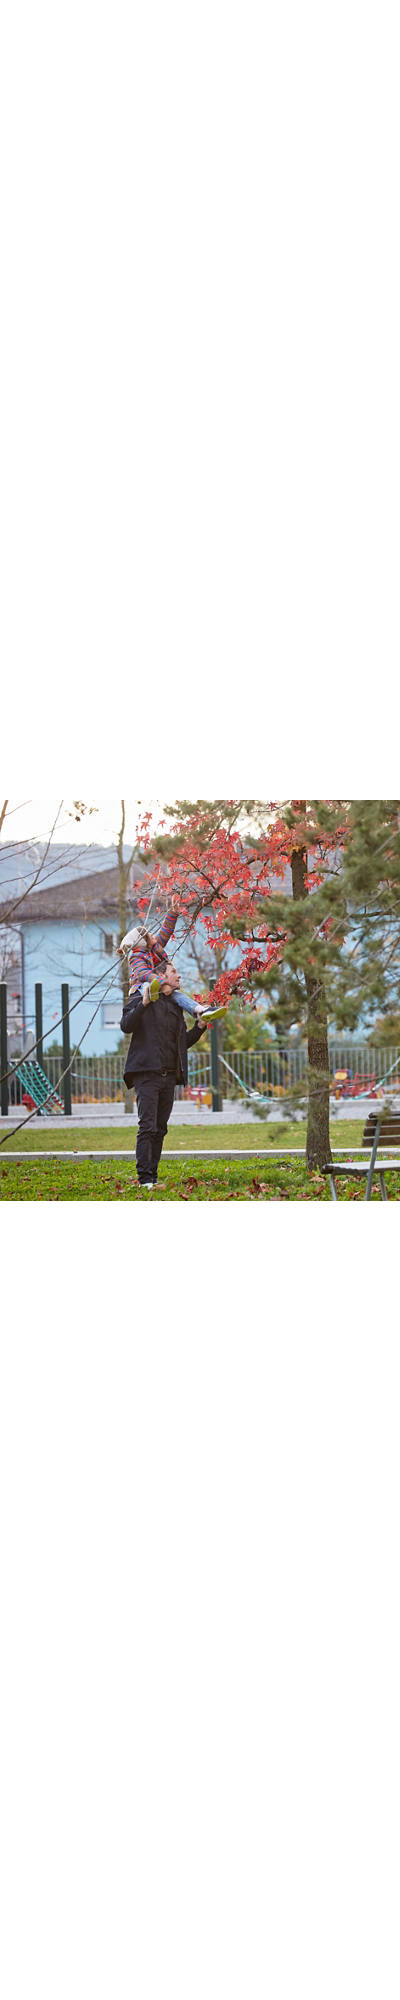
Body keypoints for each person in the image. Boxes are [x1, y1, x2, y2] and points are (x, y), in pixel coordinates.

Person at [121, 961, 209, 1189]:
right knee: (148, 1126)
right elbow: (125, 1025)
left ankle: (153, 1176)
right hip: (146, 1074)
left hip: (169, 1076)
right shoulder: (142, 996)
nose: (178, 976)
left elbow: (181, 1044)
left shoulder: (175, 1005)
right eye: (174, 972)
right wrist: (144, 1003)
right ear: (160, 975)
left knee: (160, 1128)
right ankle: (145, 1179)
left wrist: (199, 1028)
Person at [119, 896, 226, 1027]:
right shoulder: (136, 957)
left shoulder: (154, 947)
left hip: (158, 983)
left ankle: (200, 1010)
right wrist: (157, 980)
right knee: (146, 987)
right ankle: (152, 992)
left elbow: (166, 931)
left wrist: (173, 913)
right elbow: (142, 973)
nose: (153, 935)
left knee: (179, 997)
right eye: (149, 935)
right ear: (143, 941)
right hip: (141, 987)